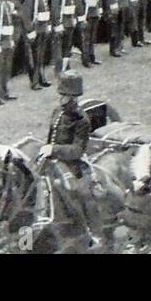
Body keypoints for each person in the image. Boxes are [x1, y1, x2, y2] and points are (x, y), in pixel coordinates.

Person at [41, 71, 101, 246]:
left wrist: (54, 149)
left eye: (66, 95)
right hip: (51, 159)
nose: (62, 98)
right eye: (61, 94)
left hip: (71, 164)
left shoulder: (82, 119)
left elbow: (77, 150)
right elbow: (50, 137)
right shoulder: (56, 112)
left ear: (73, 97)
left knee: (76, 193)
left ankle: (88, 232)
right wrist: (46, 151)